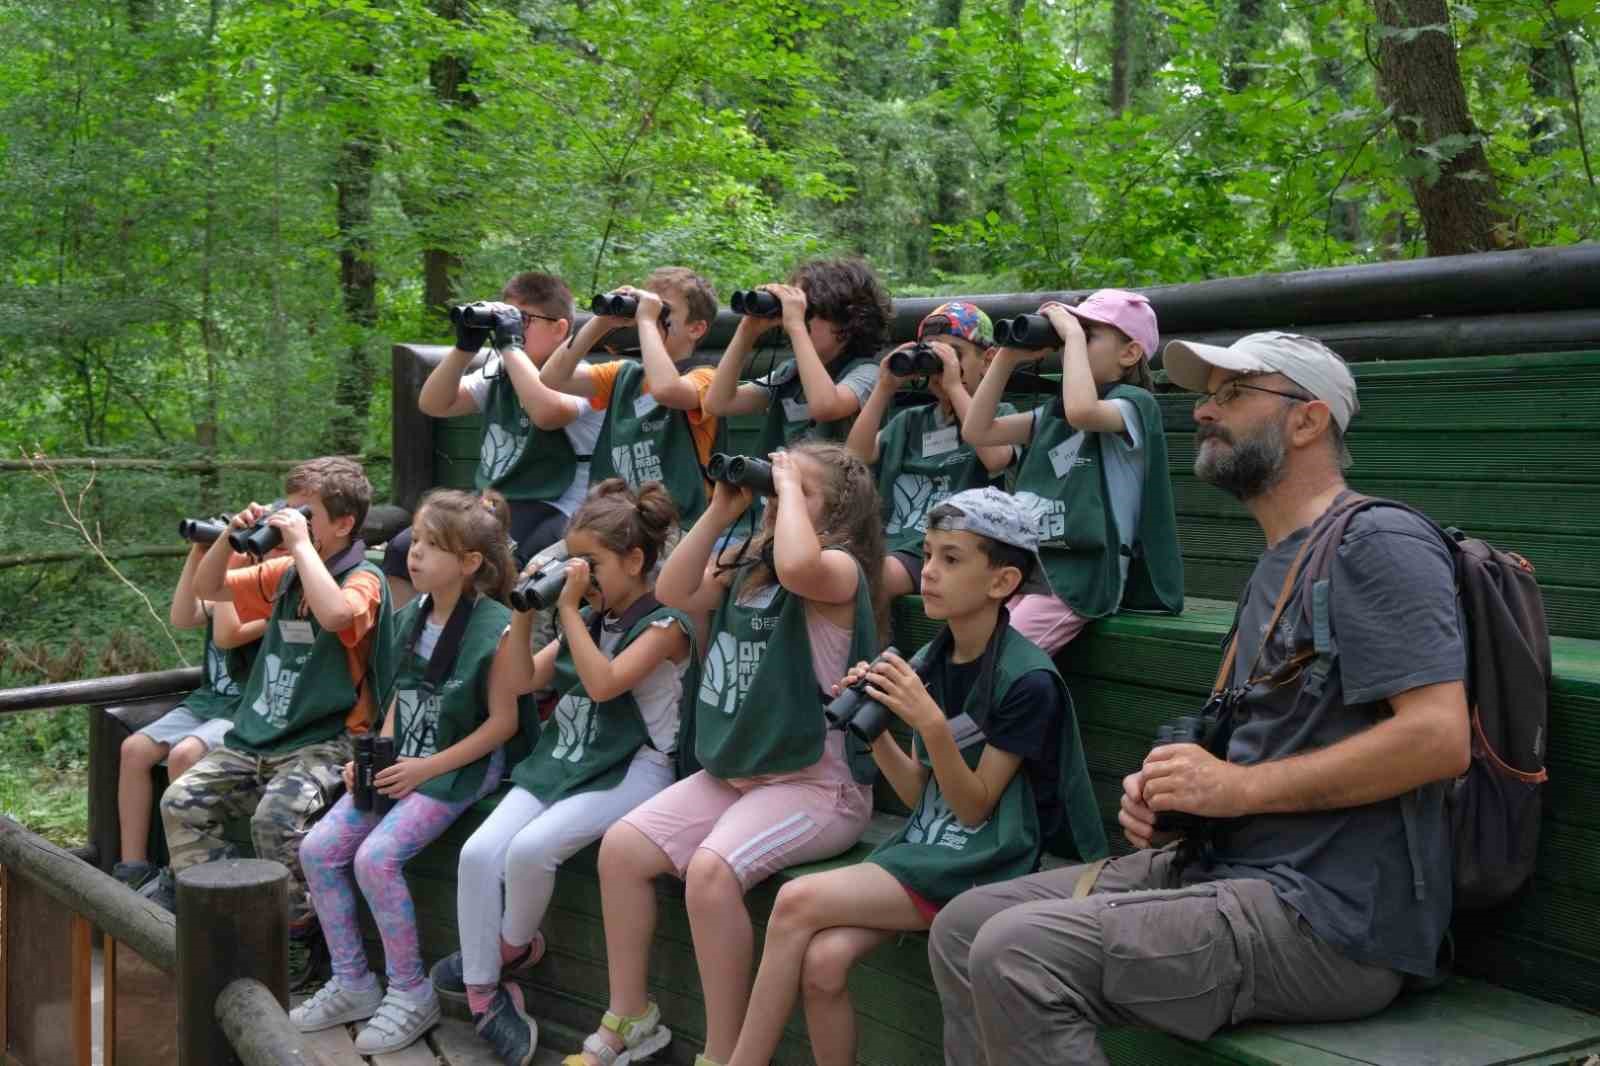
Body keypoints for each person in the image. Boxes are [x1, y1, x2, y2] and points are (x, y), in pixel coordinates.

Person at [928, 333, 1471, 1065]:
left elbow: (1438, 739)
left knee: (1019, 951)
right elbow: (1266, 746)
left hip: (1332, 917)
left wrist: (1236, 787)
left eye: (1233, 394)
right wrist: (1173, 796)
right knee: (964, 924)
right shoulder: (1279, 561)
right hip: (1228, 870)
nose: (1204, 413)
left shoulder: (1377, 544)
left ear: (1307, 421)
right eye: (1207, 396)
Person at [724, 488, 1106, 1066]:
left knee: (796, 901)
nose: (927, 572)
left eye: (951, 559)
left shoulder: (1029, 681)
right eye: (926, 554)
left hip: (987, 862)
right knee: (823, 963)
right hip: (932, 845)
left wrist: (927, 723)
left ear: (1002, 582)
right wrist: (875, 728)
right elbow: (919, 796)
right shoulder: (936, 656)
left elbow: (975, 808)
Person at [564, 441, 883, 1066]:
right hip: (743, 773)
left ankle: (723, 1053)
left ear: (838, 514)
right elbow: (677, 591)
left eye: (800, 490)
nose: (777, 495)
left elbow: (799, 566)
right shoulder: (751, 562)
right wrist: (720, 511)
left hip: (819, 786)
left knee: (710, 877)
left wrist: (785, 487)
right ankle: (631, 1016)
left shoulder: (838, 569)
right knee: (624, 848)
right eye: (779, 483)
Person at [427, 480, 695, 1066]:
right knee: (479, 853)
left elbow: (603, 683)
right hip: (570, 756)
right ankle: (486, 985)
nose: (582, 576)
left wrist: (570, 609)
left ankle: (499, 960)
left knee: (531, 850)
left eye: (592, 565)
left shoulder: (666, 626)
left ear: (635, 560)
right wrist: (527, 611)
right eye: (576, 564)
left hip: (638, 766)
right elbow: (521, 681)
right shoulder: (591, 618)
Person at [289, 490, 519, 1053]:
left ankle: (412, 991)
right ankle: (352, 981)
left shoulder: (499, 627)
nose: (413, 555)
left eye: (431, 546)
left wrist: (425, 769)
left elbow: (503, 725)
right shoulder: (412, 613)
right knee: (318, 849)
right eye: (414, 541)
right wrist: (370, 756)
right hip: (406, 761)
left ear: (469, 563)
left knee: (375, 857)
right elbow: (402, 697)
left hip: (459, 768)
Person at [158, 456, 397, 993]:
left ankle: (297, 930)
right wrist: (228, 538)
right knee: (180, 802)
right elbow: (209, 587)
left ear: (344, 523)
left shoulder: (366, 577)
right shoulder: (286, 572)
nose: (293, 523)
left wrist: (302, 545)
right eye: (290, 511)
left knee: (274, 818)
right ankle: (226, 918)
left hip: (329, 739)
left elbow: (337, 616)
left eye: (306, 514)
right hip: (261, 735)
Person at [962, 289, 1183, 654]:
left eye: (1088, 334)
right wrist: (1006, 357)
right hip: (1035, 567)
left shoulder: (1134, 406)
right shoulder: (1055, 413)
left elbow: (1083, 411)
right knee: (973, 639)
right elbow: (978, 432)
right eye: (1070, 335)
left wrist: (1072, 333)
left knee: (998, 656)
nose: (1069, 343)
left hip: (1085, 574)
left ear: (1129, 353)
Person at [384, 271, 604, 607]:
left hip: (559, 504)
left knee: (496, 564)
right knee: (402, 550)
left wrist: (508, 346)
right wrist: (464, 347)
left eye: (523, 321)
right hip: (501, 500)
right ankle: (410, 641)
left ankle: (480, 647)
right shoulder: (499, 371)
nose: (511, 330)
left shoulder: (583, 377)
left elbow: (546, 413)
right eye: (507, 320)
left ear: (560, 329)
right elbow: (434, 403)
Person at [113, 544, 265, 890]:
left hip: (247, 706)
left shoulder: (272, 597)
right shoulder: (225, 591)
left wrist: (228, 575)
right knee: (134, 749)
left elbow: (228, 636)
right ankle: (132, 870)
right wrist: (198, 554)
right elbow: (183, 616)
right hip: (211, 700)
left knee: (185, 755)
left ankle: (176, 873)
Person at [846, 301, 1016, 600]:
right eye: (932, 355)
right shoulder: (911, 421)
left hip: (945, 553)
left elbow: (996, 458)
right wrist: (884, 387)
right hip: (891, 546)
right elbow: (854, 458)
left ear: (988, 360)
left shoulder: (1001, 417)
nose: (942, 367)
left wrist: (954, 386)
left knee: (858, 579)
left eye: (954, 355)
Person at [540, 266, 724, 529]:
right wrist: (603, 320)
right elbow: (552, 378)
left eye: (664, 310)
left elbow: (666, 390)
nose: (647, 314)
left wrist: (648, 321)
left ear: (695, 328)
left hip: (678, 525)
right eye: (647, 306)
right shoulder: (624, 376)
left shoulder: (707, 378)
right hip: (615, 523)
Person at [703, 258, 891, 457]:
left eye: (807, 312)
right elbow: (719, 402)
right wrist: (746, 331)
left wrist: (796, 324)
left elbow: (825, 406)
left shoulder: (868, 373)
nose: (795, 319)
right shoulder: (790, 373)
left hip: (837, 487)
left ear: (847, 320)